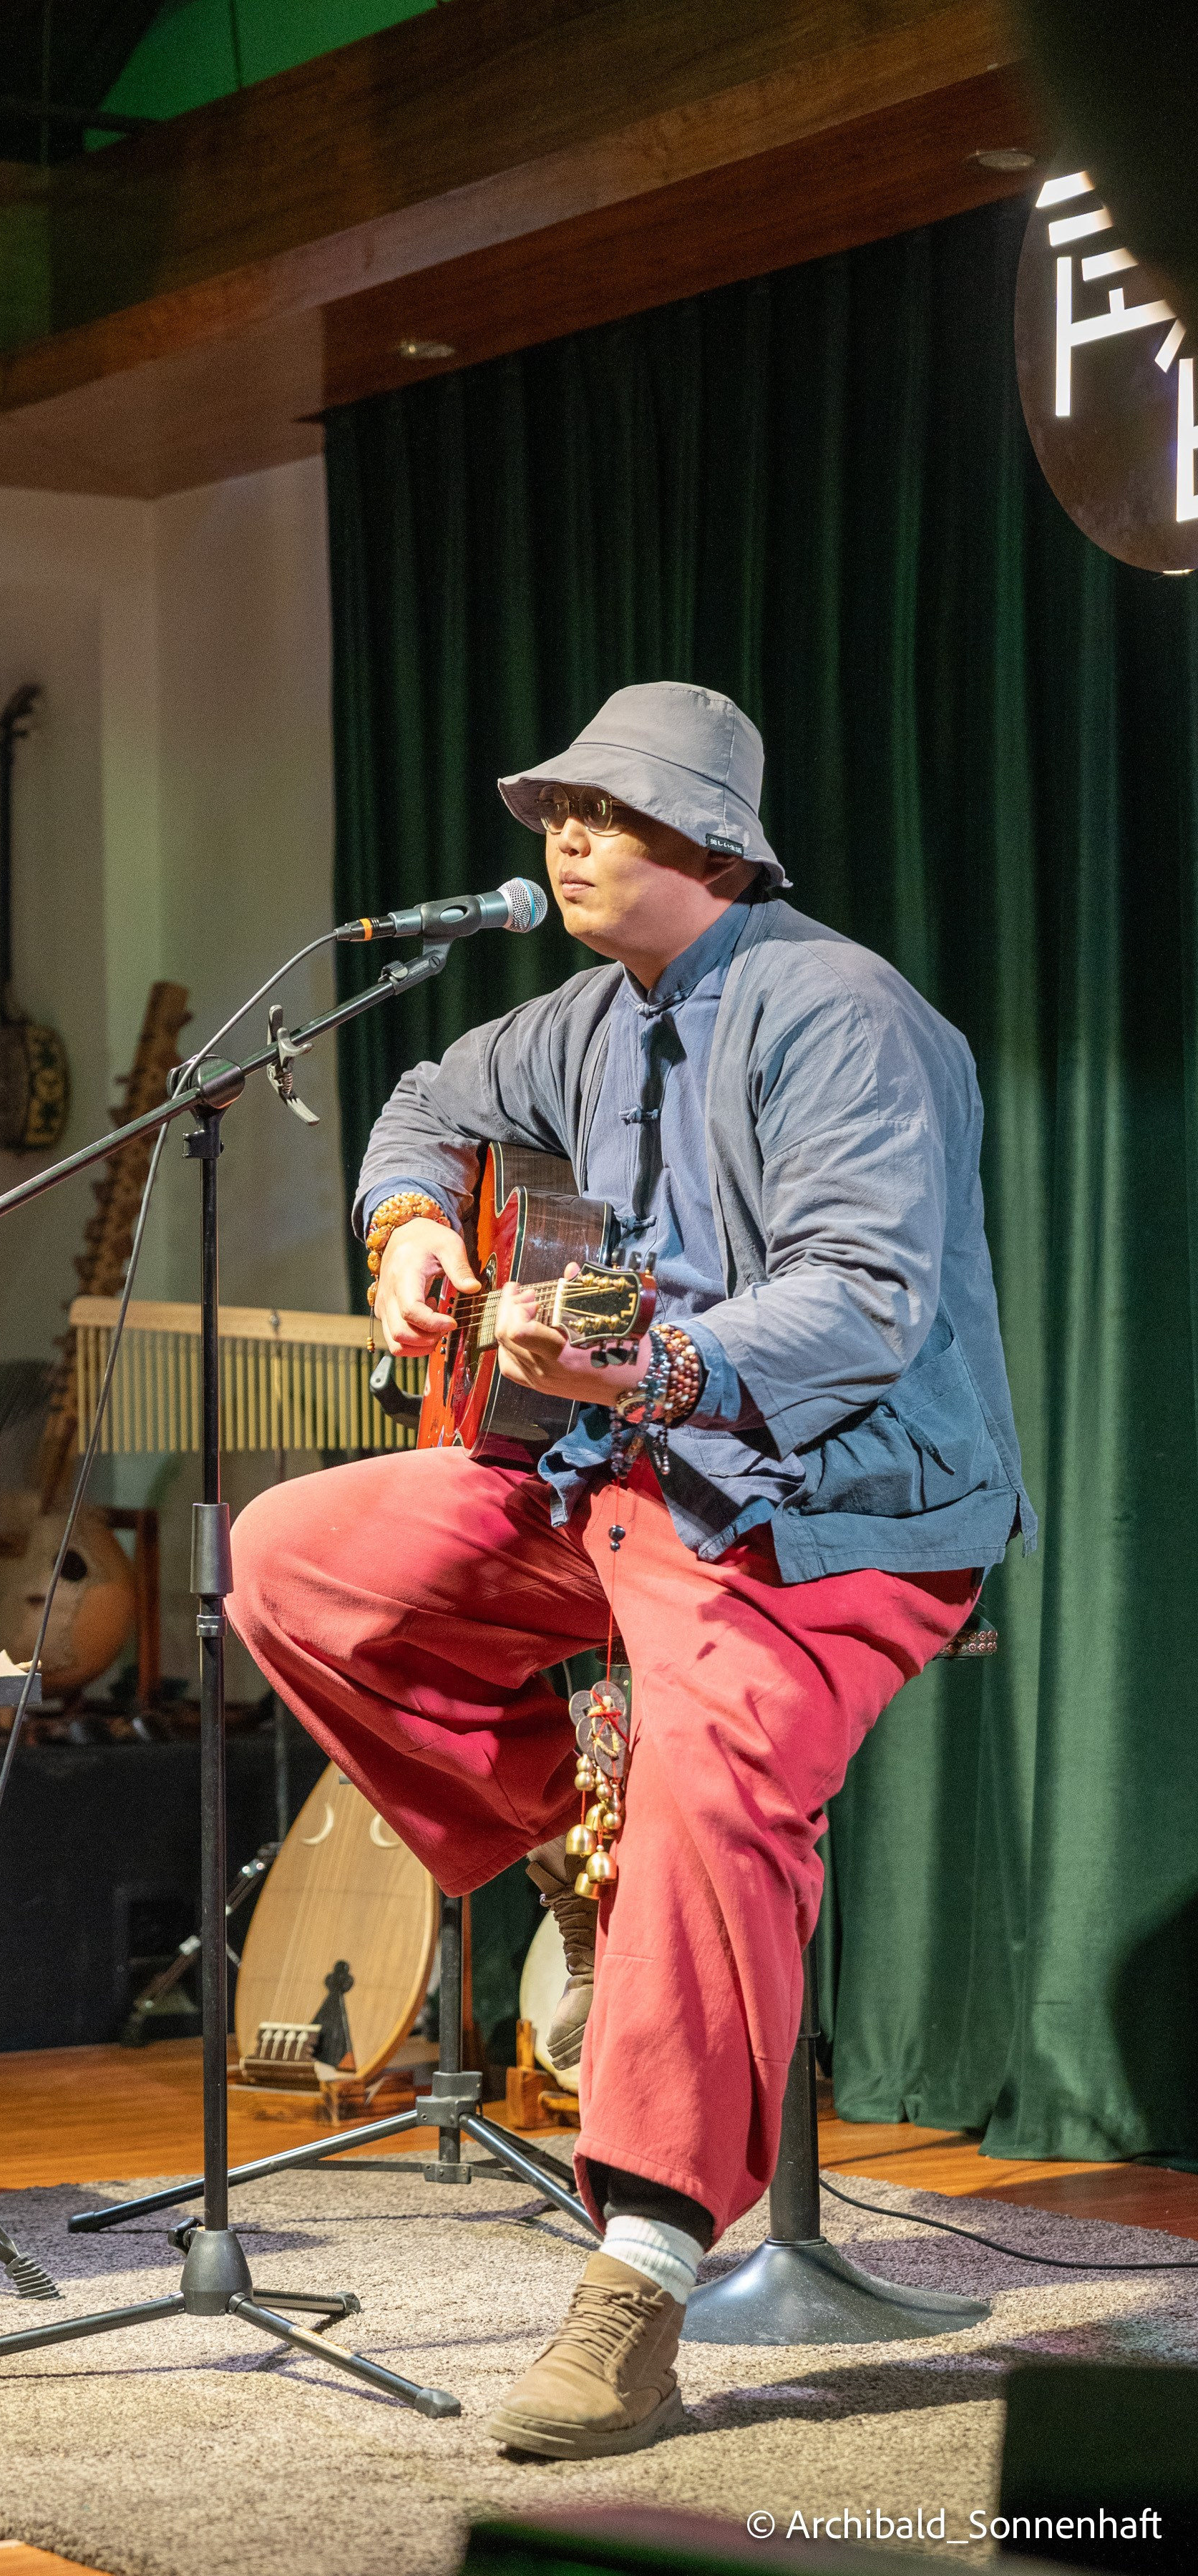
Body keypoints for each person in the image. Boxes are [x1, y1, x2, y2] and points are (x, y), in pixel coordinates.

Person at [227, 681, 1033, 2459]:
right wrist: (414, 1222)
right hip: (613, 1488)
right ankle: (581, 1852)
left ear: (714, 845)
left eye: (609, 811)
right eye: (557, 814)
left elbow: (867, 1299)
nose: (567, 839)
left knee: (714, 1773)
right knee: (291, 1559)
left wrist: (660, 1365)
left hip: (829, 1519)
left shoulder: (846, 1018)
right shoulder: (592, 1018)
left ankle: (643, 2275)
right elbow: (428, 1095)